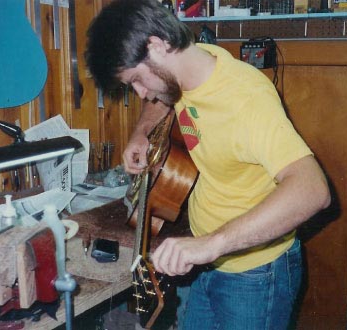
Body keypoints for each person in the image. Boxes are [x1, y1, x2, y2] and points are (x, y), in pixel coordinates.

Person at [85, 1, 331, 329]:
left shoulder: (246, 99)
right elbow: (164, 98)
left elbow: (314, 189)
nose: (142, 94)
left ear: (156, 46)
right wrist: (141, 132)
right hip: (208, 261)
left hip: (255, 274)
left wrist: (209, 244)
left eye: (137, 80)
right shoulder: (191, 62)